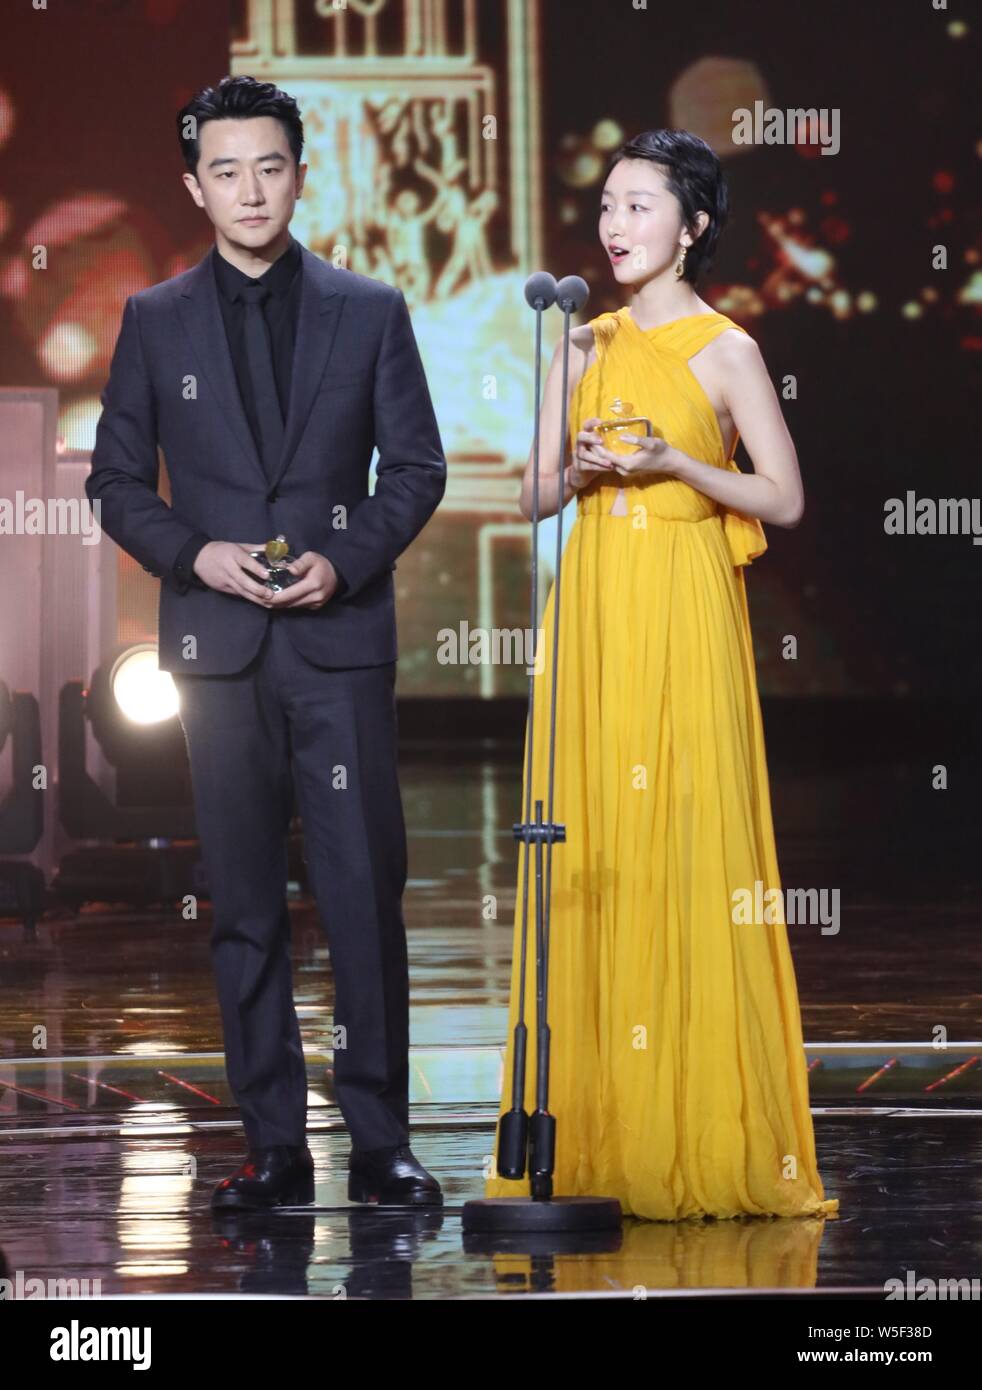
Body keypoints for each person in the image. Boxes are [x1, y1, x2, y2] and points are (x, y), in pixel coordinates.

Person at [85, 76, 447, 1209]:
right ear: (195, 187)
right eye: (226, 171)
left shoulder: (371, 308)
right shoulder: (153, 320)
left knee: (360, 897)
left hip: (338, 645)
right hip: (219, 649)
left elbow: (418, 469)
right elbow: (113, 482)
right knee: (242, 905)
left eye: (271, 166)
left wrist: (347, 558)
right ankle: (274, 1143)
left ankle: (382, 1139)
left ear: (301, 172)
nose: (250, 189)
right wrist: (197, 555)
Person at [484, 129, 839, 1221]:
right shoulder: (581, 342)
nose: (615, 224)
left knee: (685, 844)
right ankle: (599, 1133)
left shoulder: (725, 347)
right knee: (596, 853)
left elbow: (780, 498)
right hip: (596, 605)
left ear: (690, 228)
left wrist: (680, 463)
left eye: (640, 206)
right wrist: (582, 469)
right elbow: (531, 493)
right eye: (607, 204)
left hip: (683, 611)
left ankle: (699, 1131)